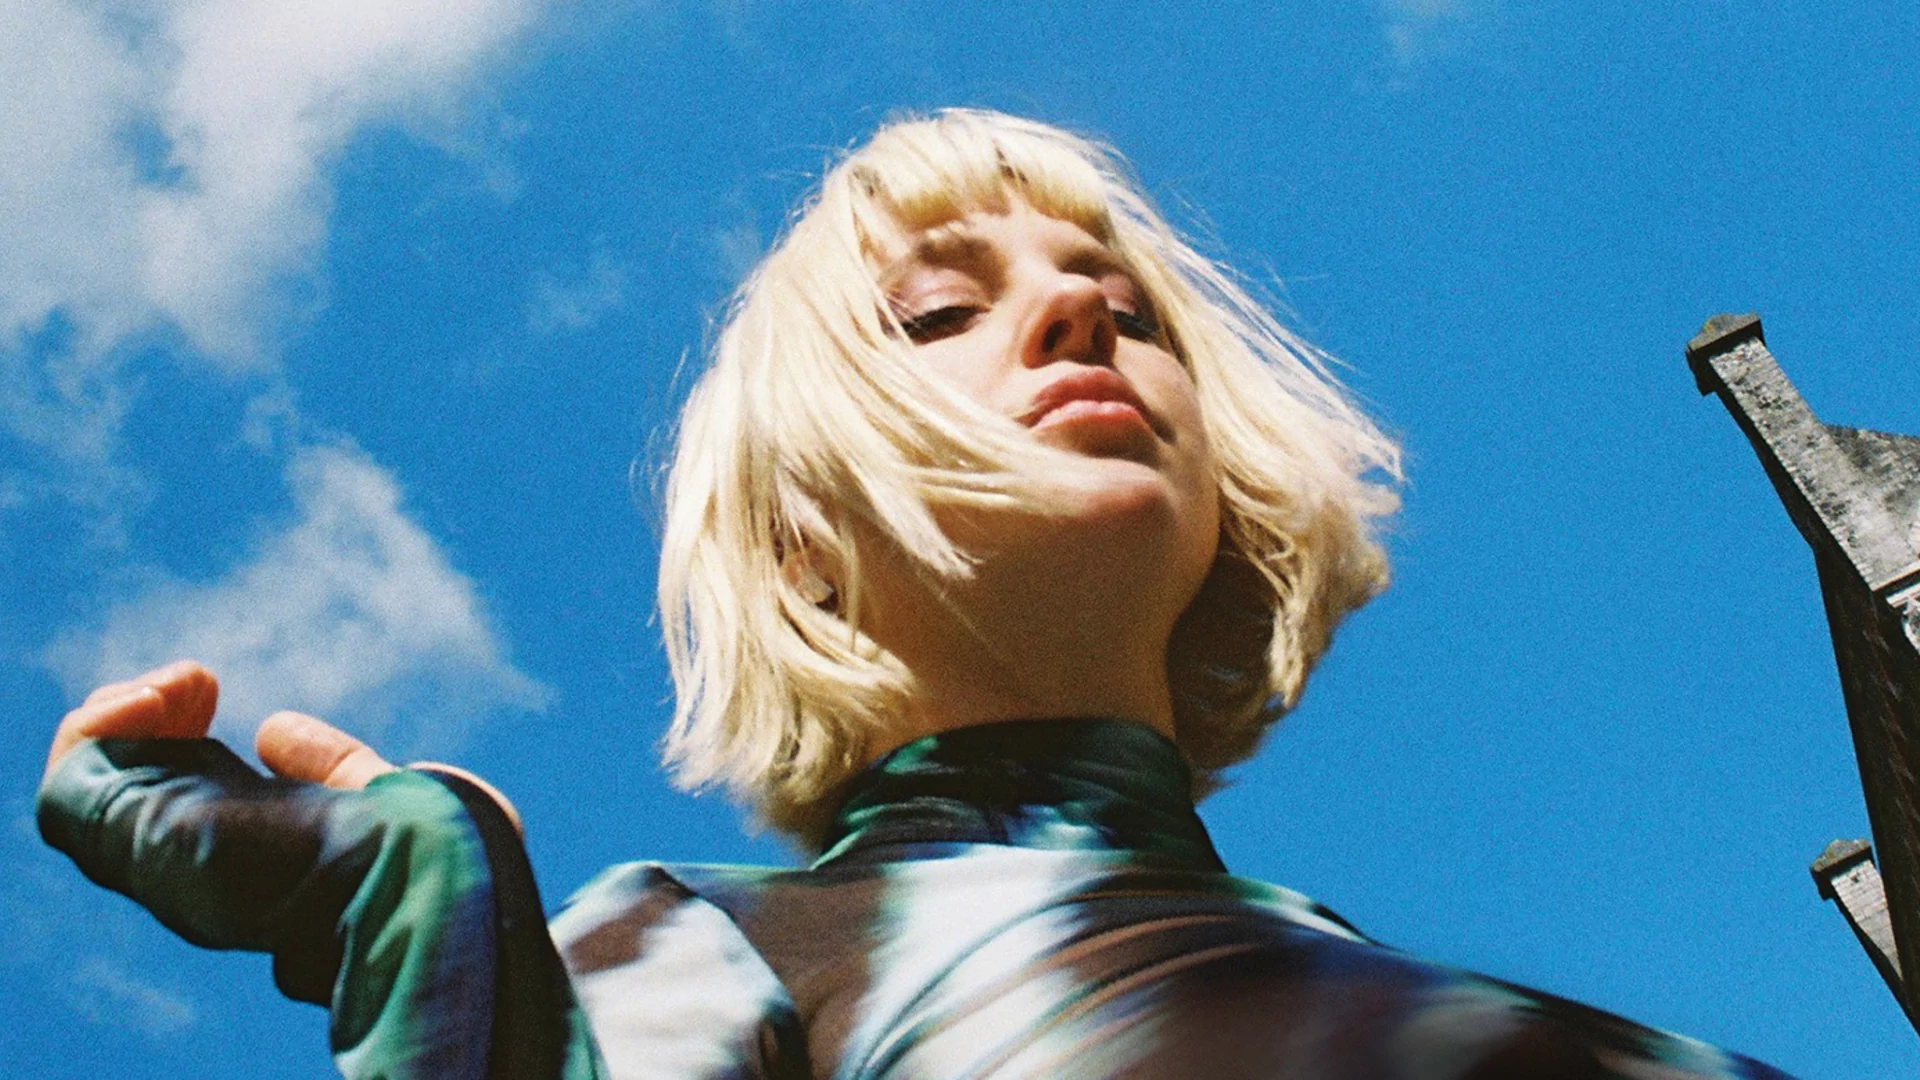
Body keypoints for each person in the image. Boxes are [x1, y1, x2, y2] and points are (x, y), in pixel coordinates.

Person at [38, 110, 1794, 1079]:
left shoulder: (1321, 945)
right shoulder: (712, 941)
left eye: (1126, 301)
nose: (1084, 316)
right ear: (798, 532)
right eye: (938, 314)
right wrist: (430, 929)